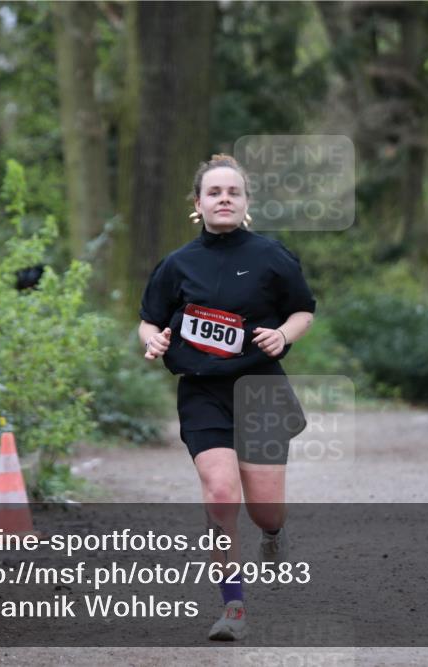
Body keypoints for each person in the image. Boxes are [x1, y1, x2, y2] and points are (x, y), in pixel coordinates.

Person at [138, 154, 315, 641]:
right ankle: (233, 608)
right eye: (214, 193)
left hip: (260, 391)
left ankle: (274, 534)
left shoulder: (271, 257)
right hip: (201, 392)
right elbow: (150, 318)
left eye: (233, 192)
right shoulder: (177, 265)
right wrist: (151, 339)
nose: (224, 199)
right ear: (198, 204)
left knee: (264, 509)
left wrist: (283, 334)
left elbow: (303, 310)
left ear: (245, 204)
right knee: (220, 495)